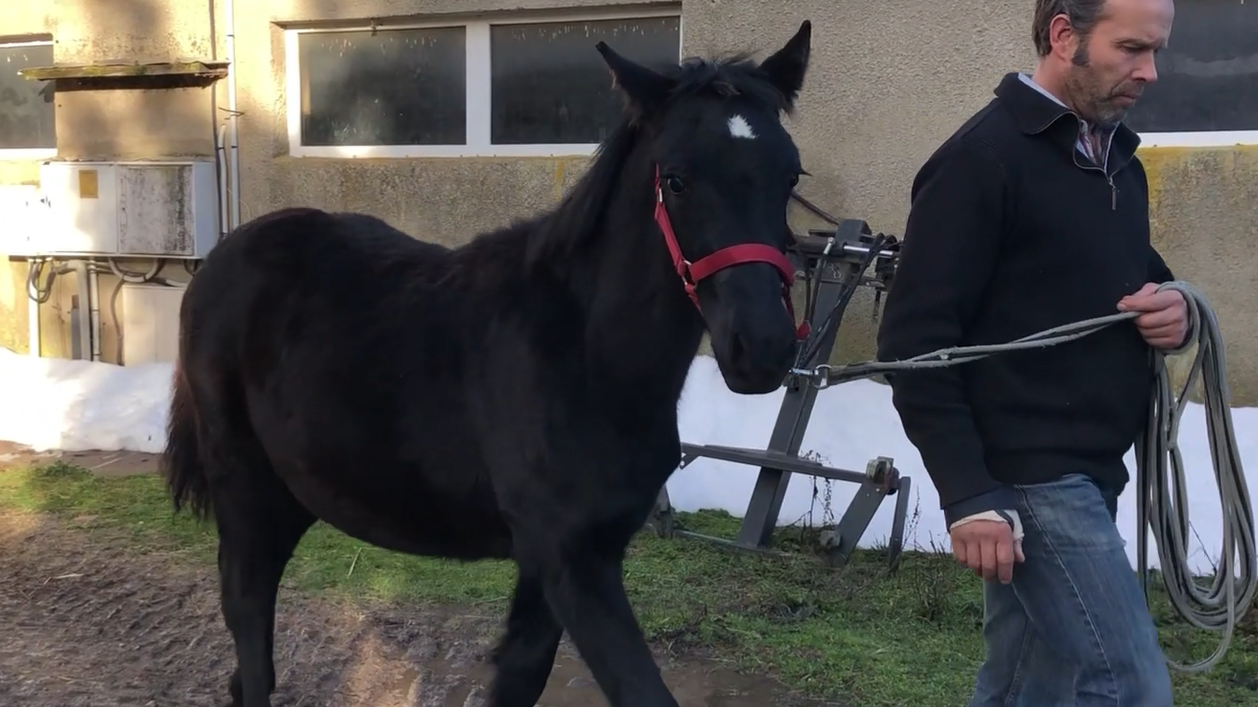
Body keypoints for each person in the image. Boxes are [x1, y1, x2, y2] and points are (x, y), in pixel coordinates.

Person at [874, 0, 1191, 705]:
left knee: (1026, 688)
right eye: (1132, 49)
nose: (1151, 71)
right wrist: (968, 497)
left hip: (1094, 467)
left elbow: (1132, 274)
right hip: (1032, 479)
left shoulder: (1114, 162)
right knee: (1131, 685)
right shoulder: (978, 163)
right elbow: (913, 345)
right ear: (1062, 35)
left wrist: (1175, 305)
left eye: (1156, 51)